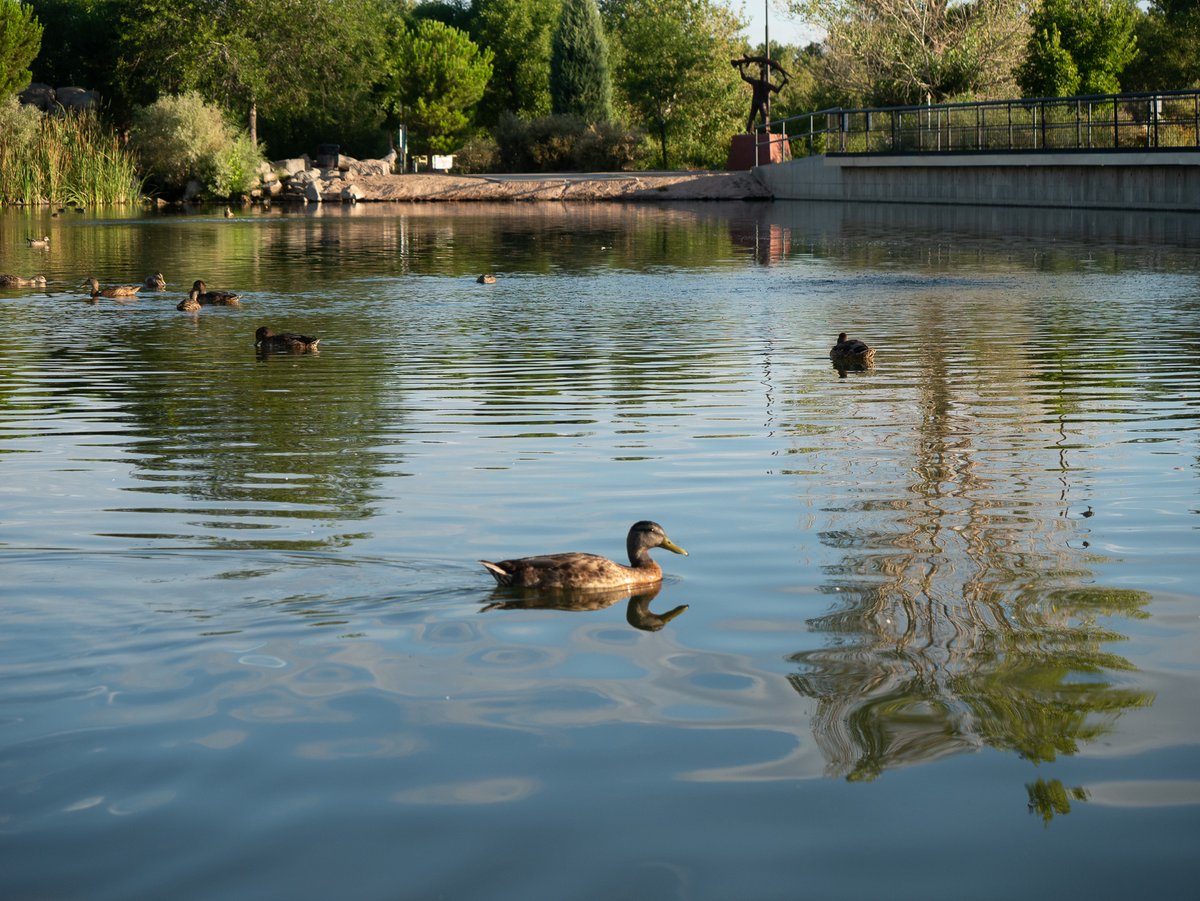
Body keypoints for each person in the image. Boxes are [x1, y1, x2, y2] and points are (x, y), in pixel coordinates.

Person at [731, 55, 790, 133]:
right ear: (764, 77)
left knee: (753, 116)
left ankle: (750, 130)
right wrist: (783, 83)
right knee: (764, 116)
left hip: (755, 101)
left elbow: (743, 77)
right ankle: (765, 130)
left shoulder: (756, 82)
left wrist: (740, 66)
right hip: (761, 102)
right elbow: (777, 90)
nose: (762, 77)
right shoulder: (766, 84)